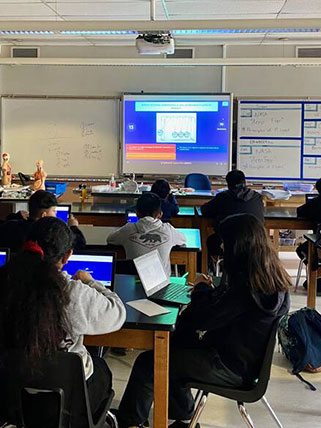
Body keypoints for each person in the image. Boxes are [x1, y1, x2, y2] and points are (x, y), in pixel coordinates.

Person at [116, 214, 291, 428]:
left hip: (228, 367)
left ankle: (129, 422)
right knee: (176, 346)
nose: (223, 247)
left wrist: (201, 289)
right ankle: (182, 418)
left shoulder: (248, 288)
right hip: (243, 361)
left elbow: (204, 320)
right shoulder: (268, 276)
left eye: (226, 242)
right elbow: (223, 313)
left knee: (151, 362)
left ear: (238, 245)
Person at [0, 217, 126, 428]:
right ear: (67, 256)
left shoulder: (2, 284)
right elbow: (117, 313)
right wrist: (91, 282)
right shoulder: (72, 292)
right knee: (101, 367)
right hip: (71, 402)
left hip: (18, 398)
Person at [106, 192, 186, 277]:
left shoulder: (128, 229)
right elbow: (183, 239)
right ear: (160, 214)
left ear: (136, 213)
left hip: (134, 284)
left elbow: (110, 239)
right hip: (162, 286)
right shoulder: (169, 230)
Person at [0, 189, 85, 251]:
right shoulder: (51, 234)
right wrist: (73, 227)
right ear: (44, 215)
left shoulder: (15, 228)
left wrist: (16, 217)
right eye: (54, 211)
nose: (56, 214)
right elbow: (79, 244)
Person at [200, 169, 264, 260]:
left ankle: (213, 268)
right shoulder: (257, 198)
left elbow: (205, 210)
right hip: (255, 242)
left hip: (228, 243)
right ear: (245, 182)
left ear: (228, 184)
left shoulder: (223, 197)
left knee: (211, 240)